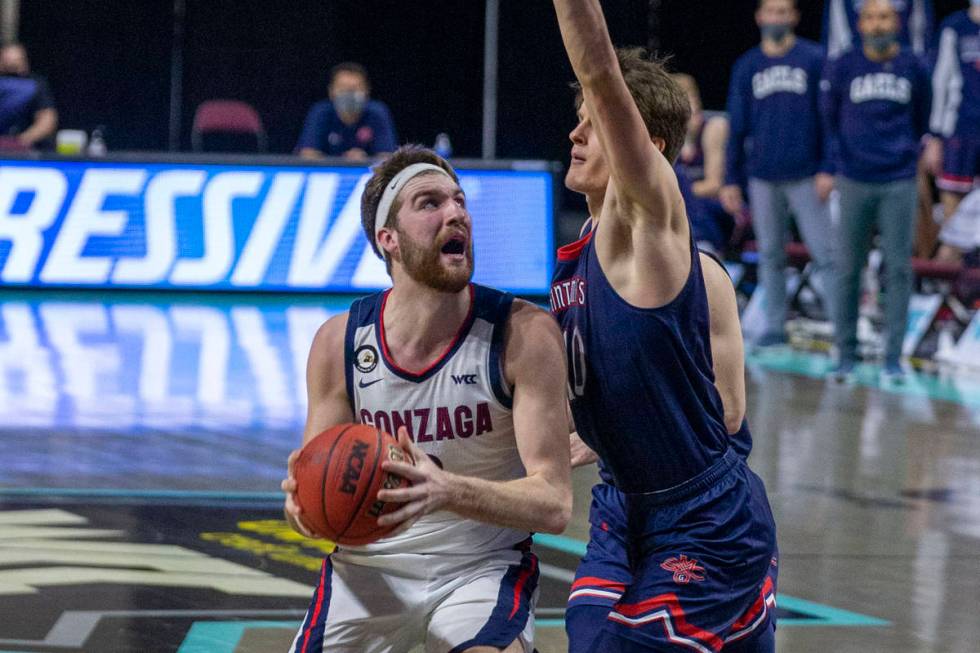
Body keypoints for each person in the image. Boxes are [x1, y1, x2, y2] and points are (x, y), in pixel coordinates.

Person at [280, 144, 572, 653]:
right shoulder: (340, 343)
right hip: (369, 566)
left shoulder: (524, 334)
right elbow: (313, 496)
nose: (455, 212)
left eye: (459, 201)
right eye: (430, 203)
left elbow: (554, 503)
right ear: (387, 239)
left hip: (481, 566)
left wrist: (445, 489)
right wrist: (302, 507)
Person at [551, 1, 779, 650]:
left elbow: (729, 413)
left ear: (643, 148)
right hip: (622, 503)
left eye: (592, 124)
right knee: (590, 634)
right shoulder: (574, 259)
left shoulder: (658, 241)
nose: (576, 135)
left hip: (704, 514)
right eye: (577, 123)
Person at [821, 0, 932, 382]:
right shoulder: (843, 65)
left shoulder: (914, 65)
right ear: (860, 23)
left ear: (896, 22)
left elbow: (922, 117)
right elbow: (830, 118)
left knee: (899, 269)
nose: (877, 23)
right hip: (853, 177)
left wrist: (907, 154)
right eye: (870, 17)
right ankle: (845, 354)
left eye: (884, 16)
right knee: (848, 268)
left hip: (898, 179)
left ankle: (893, 358)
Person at [721, 0, 836, 348]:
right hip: (762, 175)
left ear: (795, 17)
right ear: (759, 17)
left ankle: (840, 326)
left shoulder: (814, 59)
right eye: (771, 11)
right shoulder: (747, 66)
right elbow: (736, 128)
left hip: (807, 174)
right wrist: (730, 179)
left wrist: (828, 168)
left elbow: (830, 119)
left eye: (783, 11)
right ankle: (774, 326)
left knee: (825, 253)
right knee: (770, 254)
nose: (777, 18)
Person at [925, 0, 980, 264]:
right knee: (953, 221)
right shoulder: (954, 27)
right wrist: (935, 136)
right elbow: (940, 81)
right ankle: (949, 292)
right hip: (960, 131)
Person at [673, 73, 736, 256]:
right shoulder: (666, 136)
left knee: (685, 205)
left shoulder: (713, 127)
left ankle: (703, 248)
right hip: (684, 209)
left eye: (689, 98)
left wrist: (672, 193)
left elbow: (714, 185)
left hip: (719, 209)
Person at [296, 62, 397, 161]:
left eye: (355, 88)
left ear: (367, 90)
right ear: (331, 91)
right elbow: (307, 154)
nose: (349, 94)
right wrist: (341, 163)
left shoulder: (377, 112)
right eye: (343, 88)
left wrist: (365, 160)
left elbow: (387, 157)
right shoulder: (320, 112)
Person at [823, 0, 933, 60]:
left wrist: (918, 68)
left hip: (903, 67)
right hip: (855, 69)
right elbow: (835, 45)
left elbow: (921, 38)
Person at [0, 42, 57, 150]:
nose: (12, 66)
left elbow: (47, 119)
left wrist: (21, 141)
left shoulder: (35, 84)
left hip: (26, 150)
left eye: (16, 61)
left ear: (24, 62)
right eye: (7, 62)